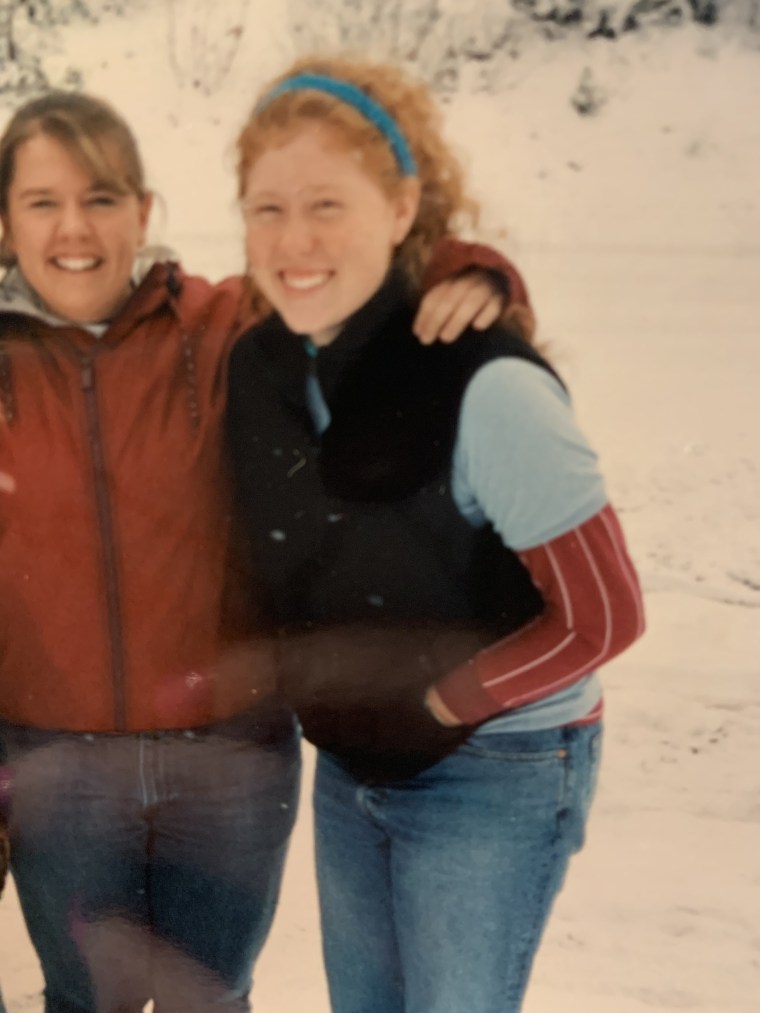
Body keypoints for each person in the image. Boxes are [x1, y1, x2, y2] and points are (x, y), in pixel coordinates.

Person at [0, 89, 530, 1012]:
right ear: (4, 225)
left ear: (144, 213)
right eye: (42, 202)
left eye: (101, 197)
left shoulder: (224, 326)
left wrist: (476, 270)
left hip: (227, 763)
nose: (73, 228)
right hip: (58, 770)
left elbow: (343, 265)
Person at [227, 56, 647, 1013]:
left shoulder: (489, 385)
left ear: (403, 205)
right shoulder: (274, 354)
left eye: (328, 204)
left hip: (494, 765)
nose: (296, 239)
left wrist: (447, 703)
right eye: (268, 208)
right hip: (355, 761)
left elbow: (605, 615)